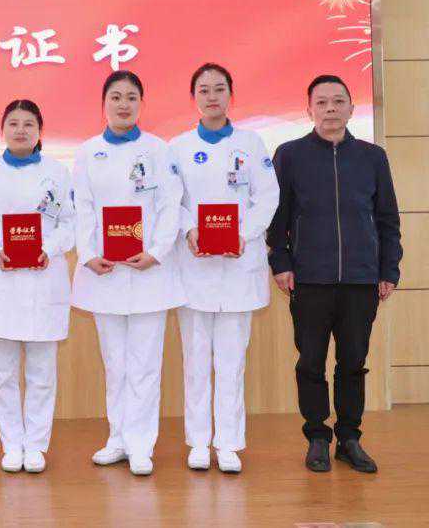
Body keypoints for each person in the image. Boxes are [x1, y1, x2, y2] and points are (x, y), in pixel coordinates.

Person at [267, 74, 401, 474]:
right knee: (310, 362)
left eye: (338, 101)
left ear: (351, 108)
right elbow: (277, 218)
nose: (330, 109)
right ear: (309, 109)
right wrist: (281, 263)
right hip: (309, 279)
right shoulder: (290, 155)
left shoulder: (373, 157)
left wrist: (388, 269)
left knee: (353, 362)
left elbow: (387, 219)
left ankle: (349, 438)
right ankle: (317, 438)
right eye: (322, 102)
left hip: (361, 279)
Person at [71, 71, 183, 476]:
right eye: (116, 97)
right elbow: (82, 207)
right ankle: (117, 438)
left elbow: (171, 205)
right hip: (104, 273)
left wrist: (157, 251)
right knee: (115, 362)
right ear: (103, 103)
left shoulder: (158, 150)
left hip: (149, 272)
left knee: (145, 364)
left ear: (141, 104)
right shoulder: (87, 152)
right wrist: (88, 254)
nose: (123, 104)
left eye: (131, 97)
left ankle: (140, 445)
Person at [169, 63, 279, 474]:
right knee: (196, 360)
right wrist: (189, 229)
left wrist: (243, 234)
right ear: (193, 97)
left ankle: (228, 443)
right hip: (194, 267)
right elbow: (172, 202)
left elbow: (267, 198)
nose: (212, 96)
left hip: (238, 267)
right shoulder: (177, 148)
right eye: (204, 90)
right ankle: (198, 442)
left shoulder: (251, 143)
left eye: (219, 89)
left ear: (231, 94)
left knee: (231, 362)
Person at [0, 100, 75, 474]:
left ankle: (36, 446)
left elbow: (70, 224)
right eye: (13, 123)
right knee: (3, 374)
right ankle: (11, 444)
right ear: (3, 129)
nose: (21, 130)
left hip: (44, 279)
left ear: (40, 130)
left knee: (42, 373)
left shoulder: (57, 172)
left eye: (28, 123)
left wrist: (48, 249)